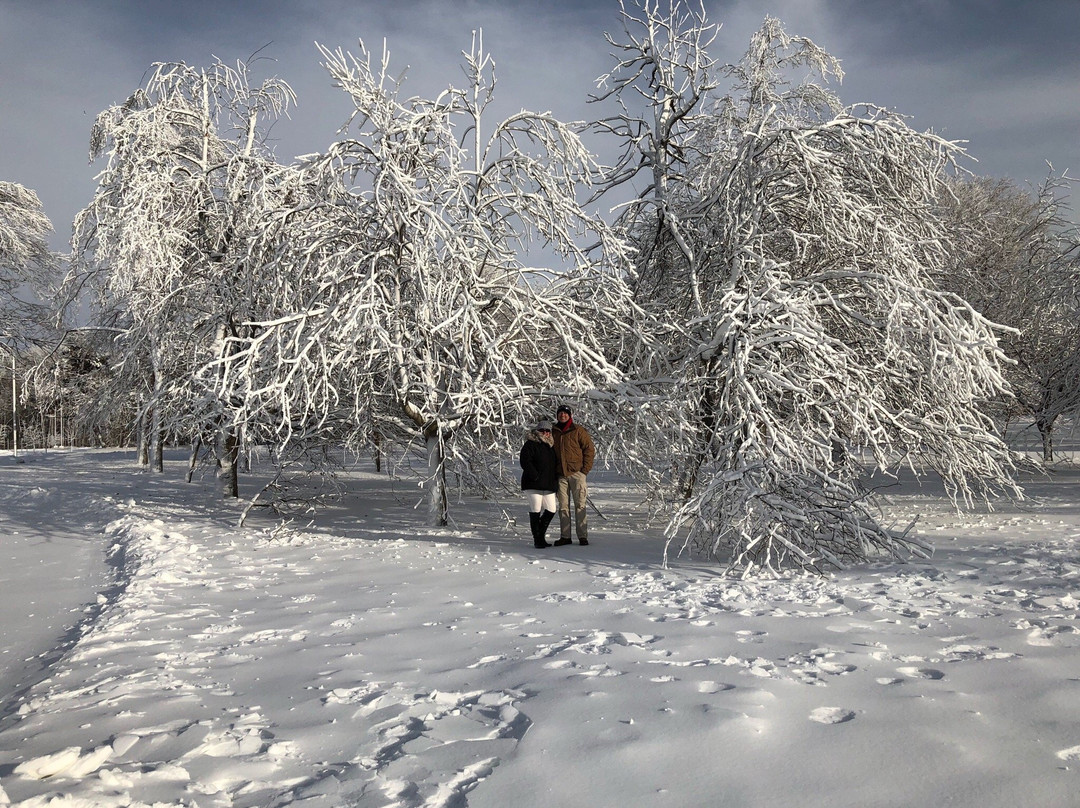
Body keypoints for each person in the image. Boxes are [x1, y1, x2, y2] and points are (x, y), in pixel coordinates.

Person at [551, 404, 595, 546]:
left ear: (570, 415)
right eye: (560, 413)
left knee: (580, 505)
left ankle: (582, 536)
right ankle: (565, 536)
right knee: (563, 506)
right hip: (561, 475)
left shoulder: (578, 430)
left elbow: (589, 449)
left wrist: (584, 470)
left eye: (565, 413)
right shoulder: (554, 431)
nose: (562, 415)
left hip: (577, 473)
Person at [519, 420, 558, 549]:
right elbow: (525, 462)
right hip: (533, 484)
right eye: (542, 431)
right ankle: (538, 540)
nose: (545, 433)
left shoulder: (550, 446)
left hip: (548, 485)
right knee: (536, 510)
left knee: (551, 509)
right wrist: (534, 475)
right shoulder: (530, 444)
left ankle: (539, 534)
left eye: (548, 431)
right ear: (537, 431)